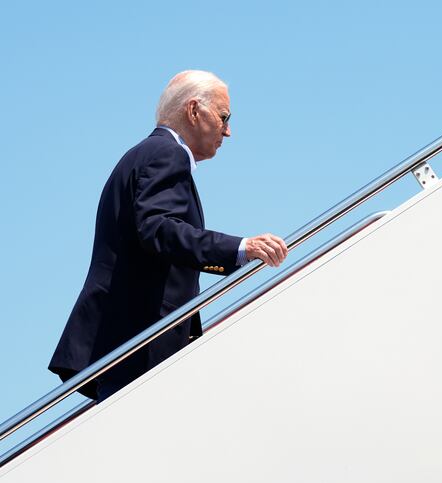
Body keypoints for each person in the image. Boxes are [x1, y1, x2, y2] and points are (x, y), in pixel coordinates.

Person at [48, 70, 288, 401]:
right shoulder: (166, 153)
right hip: (140, 344)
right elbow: (159, 230)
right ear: (193, 110)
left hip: (124, 342)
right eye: (223, 117)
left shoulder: (144, 155)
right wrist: (241, 248)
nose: (228, 131)